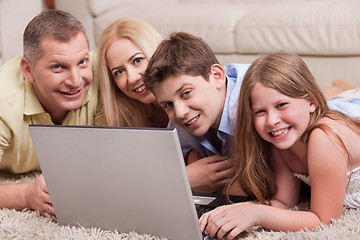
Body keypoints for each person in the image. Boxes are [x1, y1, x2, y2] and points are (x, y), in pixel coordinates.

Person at [199, 51, 360, 239]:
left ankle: (343, 87)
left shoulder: (323, 137)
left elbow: (325, 220)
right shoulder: (281, 141)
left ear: (311, 102)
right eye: (260, 111)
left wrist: (257, 214)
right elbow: (284, 202)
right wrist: (240, 210)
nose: (272, 120)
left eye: (281, 105)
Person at [97, 19, 236, 193]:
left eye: (137, 60)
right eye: (119, 71)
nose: (132, 77)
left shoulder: (222, 100)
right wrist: (183, 178)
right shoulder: (134, 117)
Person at [0, 10, 104, 217]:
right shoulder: (4, 102)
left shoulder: (103, 74)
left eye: (82, 62)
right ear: (28, 70)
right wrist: (26, 195)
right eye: (58, 67)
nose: (76, 81)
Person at [144, 32, 249, 195]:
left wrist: (185, 181)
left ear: (217, 76)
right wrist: (186, 177)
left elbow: (267, 182)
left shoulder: (253, 104)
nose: (179, 112)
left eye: (186, 93)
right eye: (168, 104)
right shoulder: (181, 120)